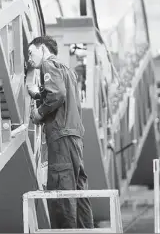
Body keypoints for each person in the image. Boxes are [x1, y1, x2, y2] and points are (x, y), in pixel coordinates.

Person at [26, 35, 94, 229]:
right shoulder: (67, 70)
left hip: (61, 137)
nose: (30, 58)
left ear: (43, 49)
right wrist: (39, 94)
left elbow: (57, 94)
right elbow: (61, 93)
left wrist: (39, 112)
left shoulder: (48, 65)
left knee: (62, 191)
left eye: (31, 52)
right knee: (79, 192)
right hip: (74, 137)